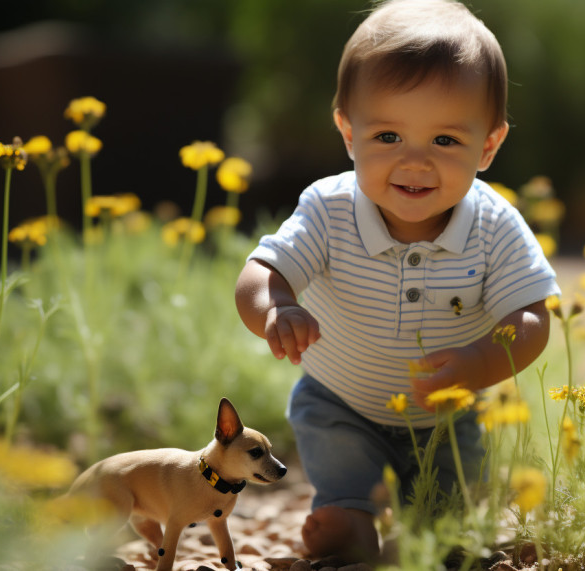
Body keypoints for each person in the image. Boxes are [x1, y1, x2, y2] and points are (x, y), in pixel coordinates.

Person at [234, 0, 560, 561]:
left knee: (446, 517)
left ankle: (427, 531)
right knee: (334, 446)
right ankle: (347, 515)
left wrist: (483, 361)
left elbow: (531, 314)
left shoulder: (495, 223)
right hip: (340, 398)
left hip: (445, 415)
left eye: (445, 141)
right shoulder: (330, 208)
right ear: (347, 132)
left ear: (487, 146)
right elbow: (262, 271)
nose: (414, 163)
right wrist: (274, 310)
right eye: (387, 136)